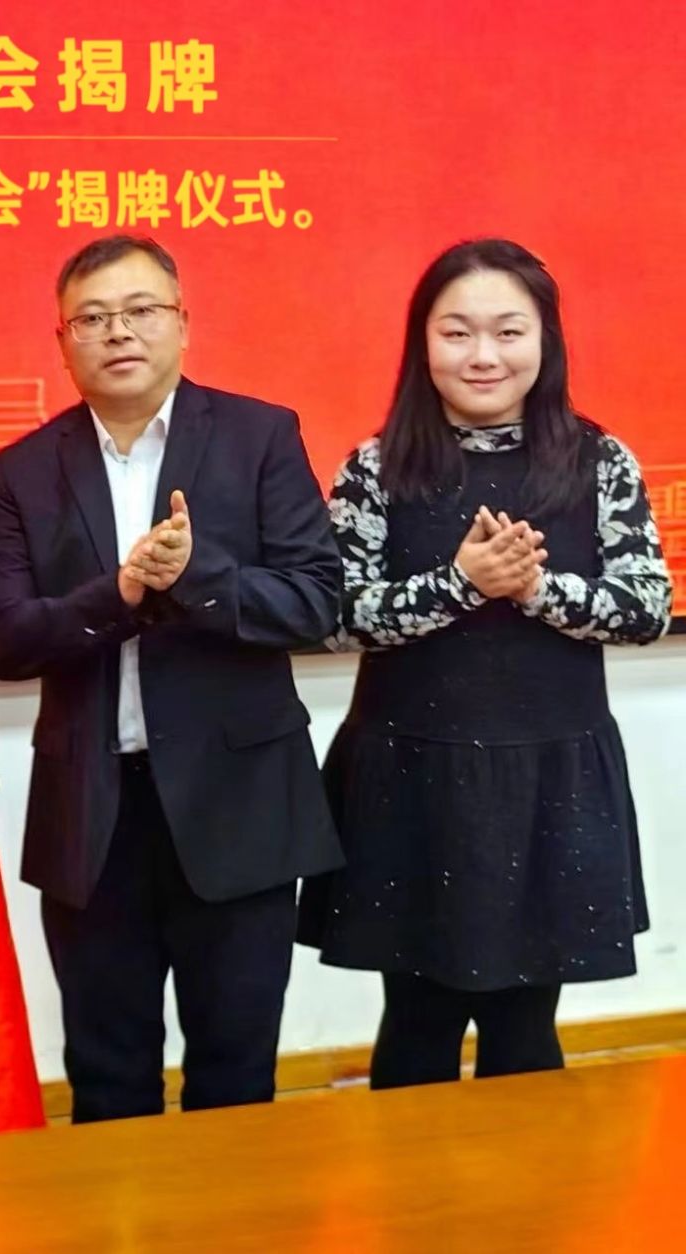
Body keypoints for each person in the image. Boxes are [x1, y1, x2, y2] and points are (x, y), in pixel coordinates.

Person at [0, 234, 343, 1123]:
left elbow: (315, 602)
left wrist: (197, 577)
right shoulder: (22, 472)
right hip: (94, 813)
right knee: (108, 1079)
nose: (118, 332)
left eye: (141, 311)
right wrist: (121, 594)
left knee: (236, 1074)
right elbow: (4, 639)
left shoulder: (260, 436)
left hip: (239, 803)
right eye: (93, 318)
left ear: (182, 324)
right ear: (63, 341)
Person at [300, 238, 671, 1088]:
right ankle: (411, 1176)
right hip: (409, 770)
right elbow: (335, 618)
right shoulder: (377, 466)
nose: (483, 355)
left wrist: (535, 588)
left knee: (525, 1021)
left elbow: (645, 608)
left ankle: (528, 1180)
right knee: (416, 1018)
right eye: (456, 332)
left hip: (550, 771)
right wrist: (460, 584)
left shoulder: (598, 461)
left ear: (545, 341)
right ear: (422, 343)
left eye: (509, 331)